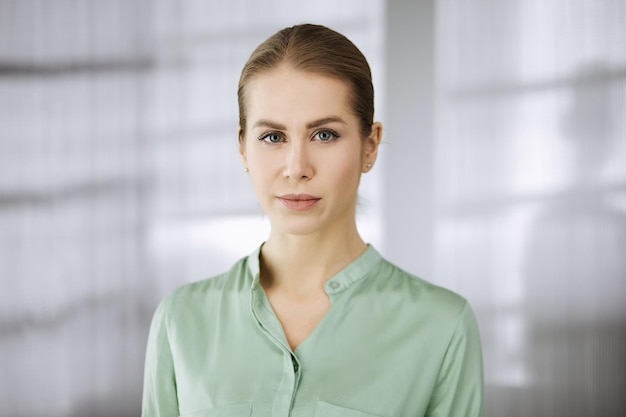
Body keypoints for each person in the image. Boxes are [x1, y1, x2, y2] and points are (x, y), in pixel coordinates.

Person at [142, 23, 484, 417]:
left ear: (370, 144)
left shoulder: (441, 327)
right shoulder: (181, 322)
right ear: (242, 148)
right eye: (273, 137)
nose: (297, 168)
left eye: (324, 135)